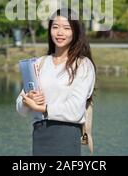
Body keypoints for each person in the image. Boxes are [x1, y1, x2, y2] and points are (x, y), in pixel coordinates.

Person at [15, 8, 96, 156]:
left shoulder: (83, 65)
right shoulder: (39, 63)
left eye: (66, 28)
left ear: (76, 32)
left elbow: (75, 110)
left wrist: (42, 108)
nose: (60, 33)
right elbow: (20, 107)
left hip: (66, 138)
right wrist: (28, 101)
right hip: (40, 137)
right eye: (55, 27)